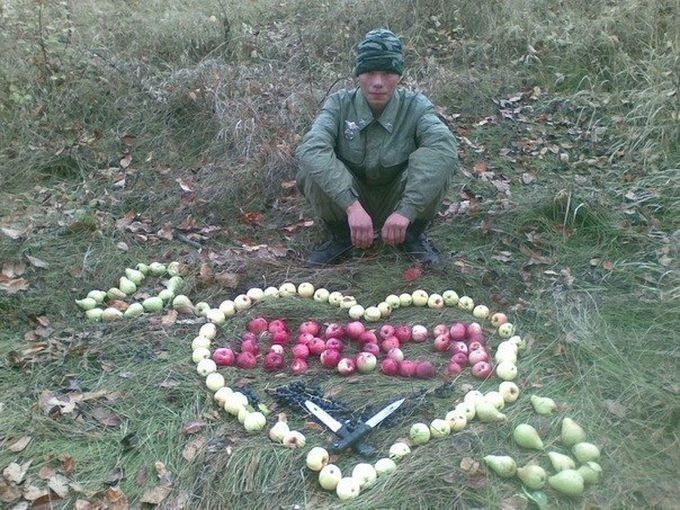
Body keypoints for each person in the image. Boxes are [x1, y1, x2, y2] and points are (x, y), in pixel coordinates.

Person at [295, 28, 458, 266]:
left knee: (440, 164)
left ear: (400, 76)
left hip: (398, 199)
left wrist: (407, 210)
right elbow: (311, 147)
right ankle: (342, 237)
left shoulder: (416, 106)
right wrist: (351, 207)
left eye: (388, 73)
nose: (378, 83)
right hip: (350, 199)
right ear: (358, 75)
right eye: (370, 72)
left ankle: (411, 236)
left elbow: (443, 148)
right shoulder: (339, 104)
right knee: (311, 168)